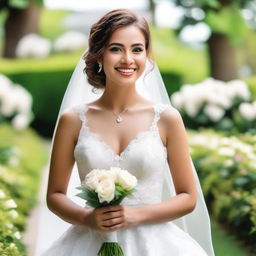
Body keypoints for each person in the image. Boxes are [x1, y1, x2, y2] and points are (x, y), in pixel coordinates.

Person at [41, 8, 215, 256]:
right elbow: (55, 195)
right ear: (99, 55)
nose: (127, 59)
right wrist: (87, 218)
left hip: (156, 244)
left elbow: (188, 196)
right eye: (115, 49)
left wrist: (135, 215)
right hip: (87, 242)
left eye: (137, 49)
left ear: (146, 54)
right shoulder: (73, 120)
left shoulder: (166, 119)